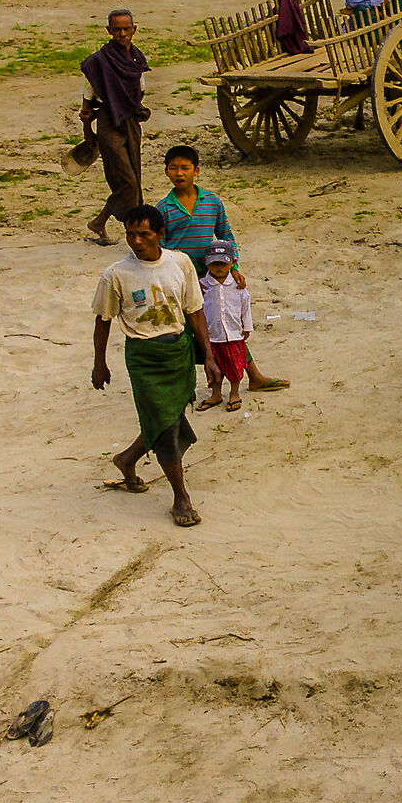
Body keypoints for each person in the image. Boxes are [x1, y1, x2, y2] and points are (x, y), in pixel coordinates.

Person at [91, 204, 210, 527]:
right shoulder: (116, 274)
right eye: (130, 234)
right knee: (167, 427)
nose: (136, 241)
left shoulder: (180, 263)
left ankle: (126, 459)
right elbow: (103, 320)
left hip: (178, 353)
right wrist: (99, 362)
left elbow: (195, 311)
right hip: (144, 359)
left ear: (161, 235)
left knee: (167, 417)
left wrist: (209, 356)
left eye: (144, 234)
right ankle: (181, 496)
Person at [158, 145, 289, 396]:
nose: (179, 173)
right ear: (166, 172)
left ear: (196, 170)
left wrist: (234, 267)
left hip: (214, 277)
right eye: (173, 168)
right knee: (187, 331)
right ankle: (190, 384)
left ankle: (253, 375)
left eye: (185, 168)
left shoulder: (212, 202)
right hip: (182, 280)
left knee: (226, 326)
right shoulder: (163, 208)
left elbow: (226, 236)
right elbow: (162, 247)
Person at [80, 10, 150, 247]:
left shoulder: (137, 59)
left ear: (134, 29)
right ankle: (135, 229)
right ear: (108, 31)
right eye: (117, 29)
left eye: (126, 29)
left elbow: (139, 91)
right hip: (109, 122)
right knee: (126, 180)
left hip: (130, 121)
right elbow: (88, 95)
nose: (122, 33)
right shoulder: (99, 61)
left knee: (134, 176)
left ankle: (101, 222)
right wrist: (87, 127)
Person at [196, 241, 253, 412]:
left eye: (223, 263)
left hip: (233, 334)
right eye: (214, 264)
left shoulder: (237, 285)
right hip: (212, 336)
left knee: (235, 366)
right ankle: (216, 394)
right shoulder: (202, 285)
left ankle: (234, 393)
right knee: (215, 368)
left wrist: (247, 326)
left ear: (231, 263)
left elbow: (245, 305)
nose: (219, 268)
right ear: (207, 263)